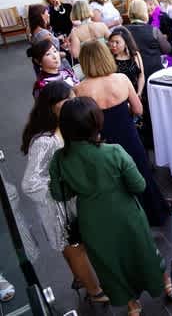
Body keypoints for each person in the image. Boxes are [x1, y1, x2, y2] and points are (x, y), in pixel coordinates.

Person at [49, 97, 168, 315]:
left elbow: (59, 194)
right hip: (126, 213)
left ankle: (132, 305)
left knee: (110, 263)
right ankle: (165, 285)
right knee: (143, 251)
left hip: (91, 220)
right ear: (96, 123)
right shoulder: (114, 151)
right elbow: (139, 185)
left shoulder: (59, 159)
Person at [21, 82, 108, 304]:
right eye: (66, 99)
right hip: (56, 209)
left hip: (67, 205)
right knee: (75, 249)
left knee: (73, 249)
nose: (72, 102)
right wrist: (61, 188)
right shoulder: (45, 141)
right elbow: (30, 184)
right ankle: (95, 291)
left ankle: (81, 279)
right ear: (52, 106)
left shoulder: (65, 128)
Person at [74, 41, 171, 227]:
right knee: (141, 174)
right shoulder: (121, 80)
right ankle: (154, 214)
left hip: (102, 143)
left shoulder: (79, 90)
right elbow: (139, 110)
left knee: (115, 182)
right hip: (128, 136)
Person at [126, 0, 171, 81]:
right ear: (144, 12)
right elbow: (167, 49)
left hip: (131, 73)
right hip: (153, 72)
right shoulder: (154, 30)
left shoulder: (123, 30)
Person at [108, 27, 144, 96]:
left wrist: (139, 93)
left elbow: (141, 76)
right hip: (117, 96)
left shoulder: (135, 55)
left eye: (117, 42)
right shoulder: (109, 56)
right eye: (112, 42)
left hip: (135, 94)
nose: (114, 45)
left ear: (126, 43)